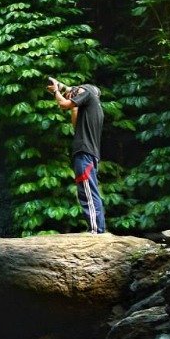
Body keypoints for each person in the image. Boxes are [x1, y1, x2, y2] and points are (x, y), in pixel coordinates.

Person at [49, 77, 106, 234]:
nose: (75, 92)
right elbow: (76, 128)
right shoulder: (92, 108)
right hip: (87, 153)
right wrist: (75, 106)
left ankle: (96, 230)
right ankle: (96, 228)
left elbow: (63, 104)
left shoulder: (87, 93)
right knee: (86, 191)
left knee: (88, 192)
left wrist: (56, 91)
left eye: (77, 91)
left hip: (85, 153)